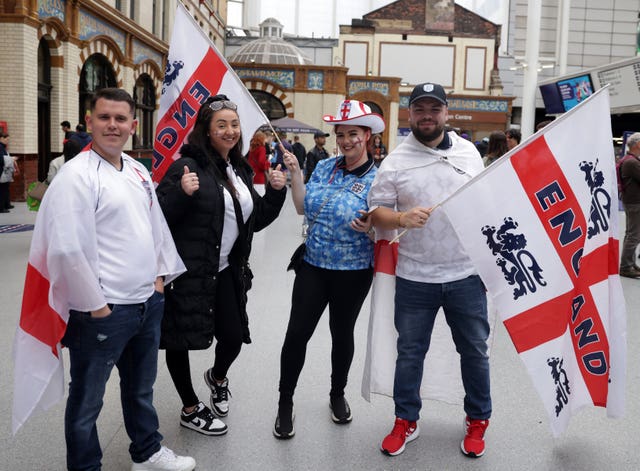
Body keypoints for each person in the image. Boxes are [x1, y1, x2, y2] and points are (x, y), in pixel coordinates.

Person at [35, 88, 195, 470]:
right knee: (88, 400)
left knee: (141, 390)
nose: (113, 125)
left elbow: (155, 226)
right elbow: (67, 249)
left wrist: (159, 279)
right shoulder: (76, 176)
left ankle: (147, 452)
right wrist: (98, 306)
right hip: (103, 313)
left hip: (146, 303)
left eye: (120, 119)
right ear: (89, 122)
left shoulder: (138, 170)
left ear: (133, 126)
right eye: (104, 117)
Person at [368, 82, 490, 458]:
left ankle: (478, 419)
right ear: (409, 115)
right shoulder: (396, 162)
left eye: (434, 109)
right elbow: (377, 213)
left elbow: (487, 201)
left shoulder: (469, 154)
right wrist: (402, 216)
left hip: (466, 274)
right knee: (410, 353)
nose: (427, 115)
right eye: (419, 109)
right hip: (415, 276)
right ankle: (406, 419)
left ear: (446, 113)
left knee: (474, 351)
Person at [156, 94, 287, 437]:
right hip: (188, 272)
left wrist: (274, 193)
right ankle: (188, 407)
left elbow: (254, 220)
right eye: (221, 125)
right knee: (179, 339)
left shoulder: (239, 169)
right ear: (206, 130)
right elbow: (158, 218)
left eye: (234, 124)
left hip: (228, 270)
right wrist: (182, 195)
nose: (230, 131)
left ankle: (216, 377)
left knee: (232, 337)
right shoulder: (185, 167)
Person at [273, 99, 385, 439]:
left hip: (353, 271)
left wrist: (372, 228)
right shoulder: (325, 167)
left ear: (367, 136)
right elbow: (299, 208)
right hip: (314, 265)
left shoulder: (379, 179)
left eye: (353, 134)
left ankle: (337, 394)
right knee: (297, 334)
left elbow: (387, 226)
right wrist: (295, 174)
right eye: (341, 134)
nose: (346, 140)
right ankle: (284, 401)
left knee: (342, 333)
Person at [619, 132, 640, 278]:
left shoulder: (628, 160)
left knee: (631, 234)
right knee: (634, 235)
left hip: (631, 201)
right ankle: (626, 266)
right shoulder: (632, 162)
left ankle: (630, 263)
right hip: (635, 202)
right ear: (638, 144)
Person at [247, 130, 270, 194]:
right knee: (260, 197)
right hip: (259, 176)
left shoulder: (252, 148)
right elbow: (262, 163)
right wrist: (268, 163)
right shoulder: (261, 148)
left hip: (252, 175)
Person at [0, 132, 14, 212]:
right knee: (2, 189)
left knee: (5, 188)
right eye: (7, 139)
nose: (8, 141)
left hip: (4, 171)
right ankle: (1, 207)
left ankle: (6, 204)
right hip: (1, 171)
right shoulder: (0, 147)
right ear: (1, 138)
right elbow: (1, 159)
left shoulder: (3, 147)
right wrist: (11, 159)